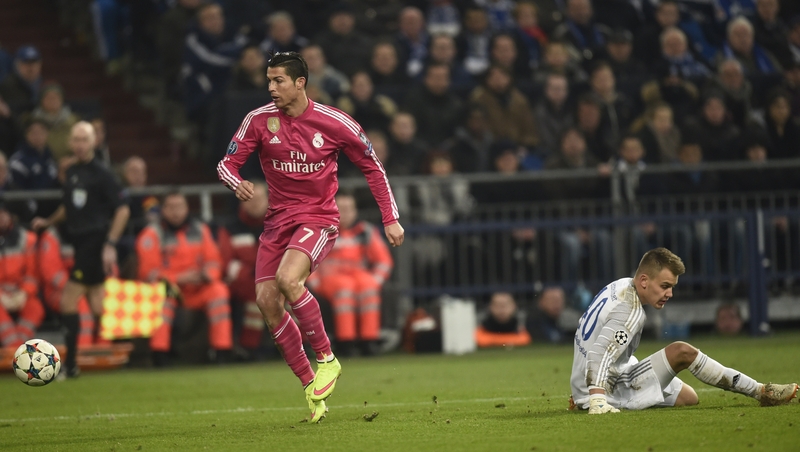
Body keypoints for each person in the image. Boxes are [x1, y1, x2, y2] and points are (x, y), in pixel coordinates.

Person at [216, 51, 404, 423]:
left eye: (278, 81)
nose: (271, 88)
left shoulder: (335, 122)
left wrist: (390, 218)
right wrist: (236, 182)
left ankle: (327, 359)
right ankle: (310, 387)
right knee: (267, 303)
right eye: (268, 81)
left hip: (318, 218)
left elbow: (373, 166)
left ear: (300, 83)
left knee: (288, 280)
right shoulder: (258, 120)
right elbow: (226, 164)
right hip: (276, 223)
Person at [569, 247, 798, 414]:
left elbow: (584, 328)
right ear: (645, 280)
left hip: (593, 377)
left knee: (688, 397)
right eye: (665, 286)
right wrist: (597, 398)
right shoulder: (630, 312)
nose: (670, 294)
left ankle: (582, 396)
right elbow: (599, 353)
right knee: (682, 352)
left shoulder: (619, 285)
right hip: (606, 387)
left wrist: (580, 384)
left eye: (672, 287)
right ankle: (761, 392)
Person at [30, 121, 130, 379]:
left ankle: (71, 365)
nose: (80, 144)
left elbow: (123, 209)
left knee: (68, 302)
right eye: (76, 139)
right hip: (81, 244)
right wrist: (48, 221)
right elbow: (70, 206)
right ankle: (135, 349)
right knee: (98, 305)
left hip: (94, 243)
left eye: (84, 139)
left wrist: (109, 244)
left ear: (94, 142)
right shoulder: (72, 171)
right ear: (70, 143)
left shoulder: (102, 173)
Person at [136, 191, 233, 366]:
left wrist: (206, 275)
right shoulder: (151, 234)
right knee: (162, 296)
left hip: (198, 288)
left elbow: (214, 261)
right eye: (171, 207)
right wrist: (180, 278)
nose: (176, 212)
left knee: (219, 290)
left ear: (187, 208)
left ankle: (222, 352)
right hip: (170, 288)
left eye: (180, 207)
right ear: (163, 210)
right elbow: (148, 273)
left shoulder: (200, 230)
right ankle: (160, 355)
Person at [306, 191, 394, 357]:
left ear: (355, 211)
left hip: (359, 276)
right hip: (331, 278)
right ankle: (346, 342)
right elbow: (309, 260)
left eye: (349, 209)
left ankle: (369, 341)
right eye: (341, 208)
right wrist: (315, 283)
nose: (345, 213)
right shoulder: (322, 231)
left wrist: (375, 280)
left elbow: (384, 261)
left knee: (369, 288)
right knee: (345, 289)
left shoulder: (365, 231)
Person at [0, 201, 44, 348]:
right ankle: (17, 353)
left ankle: (17, 352)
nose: (2, 218)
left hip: (21, 293)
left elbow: (33, 275)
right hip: (1, 295)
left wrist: (24, 293)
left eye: (3, 213)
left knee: (35, 309)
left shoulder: (27, 239)